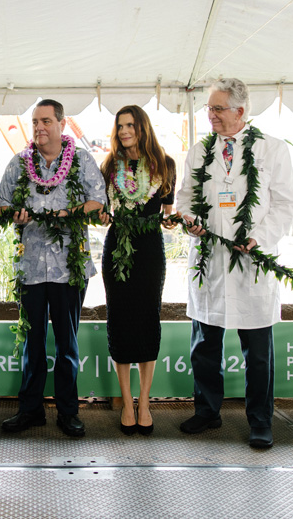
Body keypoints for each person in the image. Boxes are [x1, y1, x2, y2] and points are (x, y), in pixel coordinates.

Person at [175, 77, 293, 449]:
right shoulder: (199, 152)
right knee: (204, 346)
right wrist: (190, 221)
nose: (210, 115)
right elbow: (184, 199)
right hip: (210, 262)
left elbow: (287, 204)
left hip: (252, 264)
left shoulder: (271, 150)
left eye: (217, 108)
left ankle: (260, 420)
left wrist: (258, 236)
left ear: (240, 111)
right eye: (208, 108)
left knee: (258, 353)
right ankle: (207, 410)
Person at [0, 100, 107, 438]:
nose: (39, 127)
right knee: (32, 344)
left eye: (46, 121)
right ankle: (30, 410)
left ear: (62, 123)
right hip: (30, 267)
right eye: (35, 122)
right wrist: (11, 213)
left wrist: (67, 214)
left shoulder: (82, 160)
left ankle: (68, 412)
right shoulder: (19, 163)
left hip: (67, 268)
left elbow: (98, 201)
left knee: (66, 345)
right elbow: (2, 203)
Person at [100, 105, 176, 436]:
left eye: (130, 125)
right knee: (120, 319)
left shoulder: (165, 165)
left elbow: (169, 214)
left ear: (143, 127)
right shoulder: (109, 166)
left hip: (149, 249)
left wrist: (174, 221)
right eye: (120, 126)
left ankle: (145, 402)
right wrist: (100, 216)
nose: (124, 131)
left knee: (147, 319)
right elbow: (103, 208)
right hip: (117, 247)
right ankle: (127, 401)